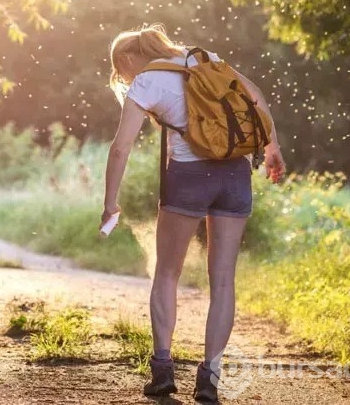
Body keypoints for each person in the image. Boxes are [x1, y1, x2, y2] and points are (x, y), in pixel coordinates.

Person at [100, 24, 286, 403]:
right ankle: (209, 379)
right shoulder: (204, 59)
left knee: (167, 273)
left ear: (125, 60)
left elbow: (121, 148)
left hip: (188, 177)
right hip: (235, 174)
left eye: (121, 72)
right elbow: (256, 95)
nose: (124, 78)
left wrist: (110, 202)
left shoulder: (147, 82)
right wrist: (272, 149)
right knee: (223, 281)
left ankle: (163, 371)